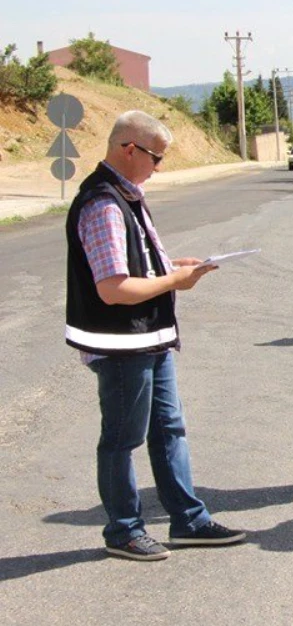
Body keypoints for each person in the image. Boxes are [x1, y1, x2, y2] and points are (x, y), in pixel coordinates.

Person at [65, 110, 245, 561]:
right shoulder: (104, 203)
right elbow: (114, 289)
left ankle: (189, 521)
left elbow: (134, 266)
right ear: (129, 149)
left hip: (150, 338)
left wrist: (171, 267)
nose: (159, 167)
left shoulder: (127, 195)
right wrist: (174, 282)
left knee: (168, 430)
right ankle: (124, 530)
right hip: (124, 345)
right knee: (122, 440)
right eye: (156, 157)